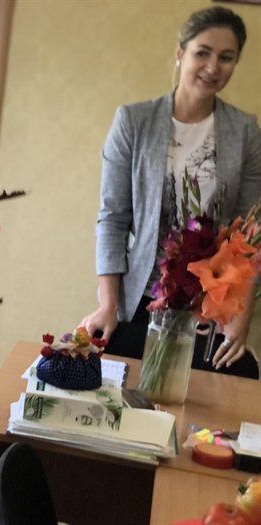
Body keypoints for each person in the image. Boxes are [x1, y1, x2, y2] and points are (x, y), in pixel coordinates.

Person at [81, 6, 261, 378]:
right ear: (180, 53)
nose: (213, 67)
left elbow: (249, 237)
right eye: (202, 53)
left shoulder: (245, 132)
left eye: (226, 58)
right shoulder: (133, 122)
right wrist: (108, 305)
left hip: (210, 307)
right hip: (142, 300)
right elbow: (113, 219)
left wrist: (240, 317)